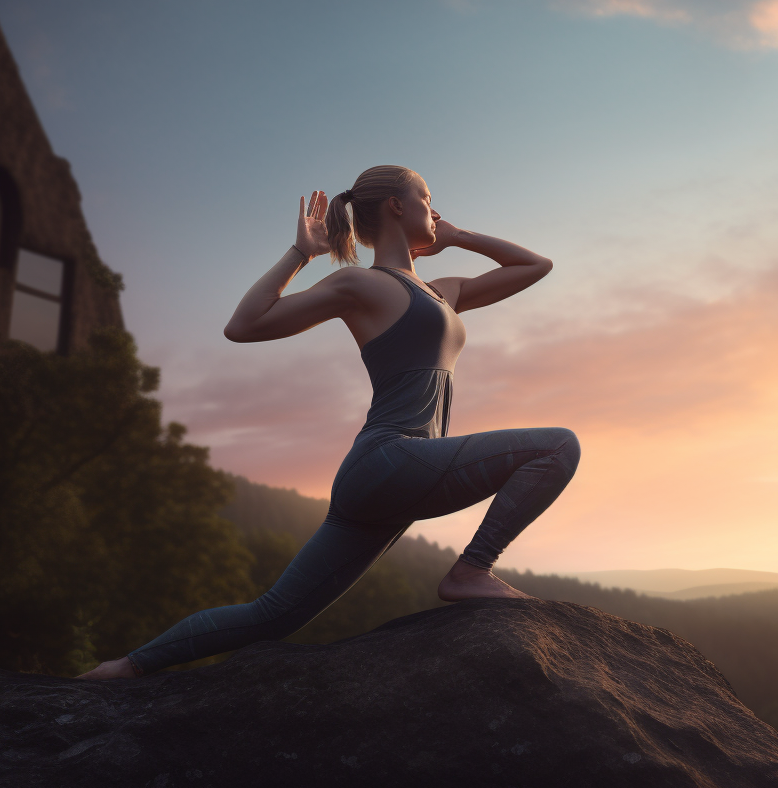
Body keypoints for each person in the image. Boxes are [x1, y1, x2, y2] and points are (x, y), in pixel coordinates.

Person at [80, 165, 579, 679]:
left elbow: (534, 266)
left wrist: (457, 236)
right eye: (428, 199)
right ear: (397, 206)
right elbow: (243, 326)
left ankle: (119, 671)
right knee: (556, 447)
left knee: (274, 616)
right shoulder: (361, 284)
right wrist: (301, 254)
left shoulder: (440, 292)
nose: (437, 211)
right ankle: (473, 569)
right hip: (390, 458)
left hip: (395, 478)